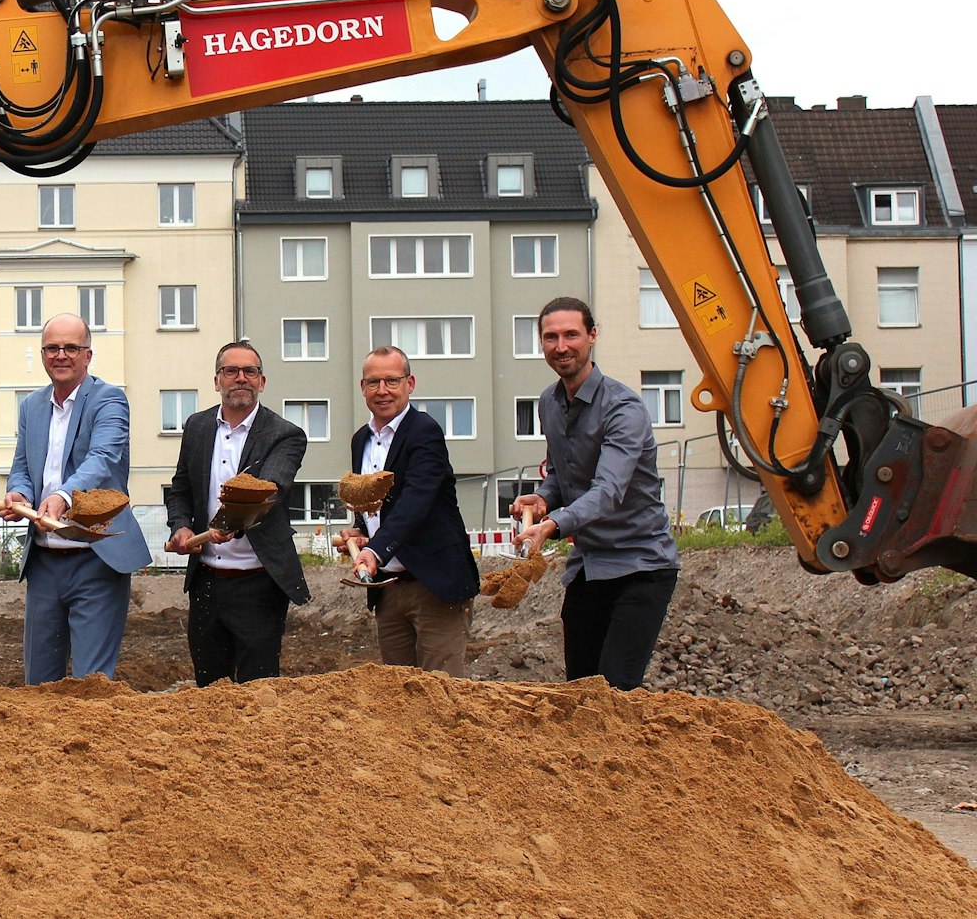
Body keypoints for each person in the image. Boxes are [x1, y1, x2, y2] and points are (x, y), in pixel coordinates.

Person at [511, 296, 680, 691]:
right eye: (551, 337)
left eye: (571, 335)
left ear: (592, 336)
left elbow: (608, 491)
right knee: (581, 690)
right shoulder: (549, 403)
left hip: (640, 564)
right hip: (590, 565)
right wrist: (544, 498)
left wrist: (551, 525)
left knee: (615, 692)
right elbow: (561, 473)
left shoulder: (624, 408)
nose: (561, 346)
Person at [0, 314, 151, 684]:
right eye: (52, 348)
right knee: (38, 684)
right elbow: (22, 466)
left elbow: (103, 458)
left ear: (88, 355)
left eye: (71, 347)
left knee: (91, 684)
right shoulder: (31, 406)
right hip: (43, 562)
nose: (61, 355)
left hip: (95, 557)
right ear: (42, 355)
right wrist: (20, 493)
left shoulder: (109, 399)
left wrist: (63, 495)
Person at [164, 341, 309, 684]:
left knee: (259, 687)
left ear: (262, 381)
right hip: (207, 582)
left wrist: (229, 522)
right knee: (209, 686)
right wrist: (181, 527)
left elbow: (269, 489)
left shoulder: (285, 435)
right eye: (231, 371)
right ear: (217, 380)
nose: (241, 378)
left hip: (258, 583)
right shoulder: (197, 427)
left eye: (250, 371)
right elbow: (181, 488)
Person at [339, 345, 480, 675]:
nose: (382, 390)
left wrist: (375, 550)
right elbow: (372, 500)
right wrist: (361, 529)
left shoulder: (424, 432)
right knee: (400, 692)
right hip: (388, 588)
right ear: (362, 387)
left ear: (410, 384)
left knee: (442, 688)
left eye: (392, 380)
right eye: (373, 382)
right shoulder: (360, 440)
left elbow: (416, 500)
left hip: (433, 583)